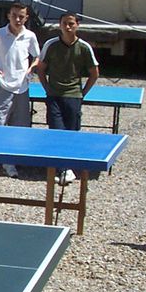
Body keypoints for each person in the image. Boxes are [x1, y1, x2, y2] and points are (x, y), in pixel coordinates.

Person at [0, 1, 40, 178]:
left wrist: (31, 68)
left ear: (26, 17)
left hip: (22, 86)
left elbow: (37, 57)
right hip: (3, 85)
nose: (18, 19)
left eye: (21, 16)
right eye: (14, 15)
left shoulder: (30, 36)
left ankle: (10, 162)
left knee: (18, 126)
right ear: (8, 16)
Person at [36, 11, 100, 185]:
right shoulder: (51, 44)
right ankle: (62, 169)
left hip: (73, 96)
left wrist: (82, 93)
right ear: (60, 25)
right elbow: (40, 68)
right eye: (64, 23)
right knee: (56, 131)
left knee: (71, 133)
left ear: (77, 25)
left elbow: (94, 73)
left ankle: (68, 167)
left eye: (71, 23)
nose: (68, 26)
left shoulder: (84, 47)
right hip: (54, 96)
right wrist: (47, 88)